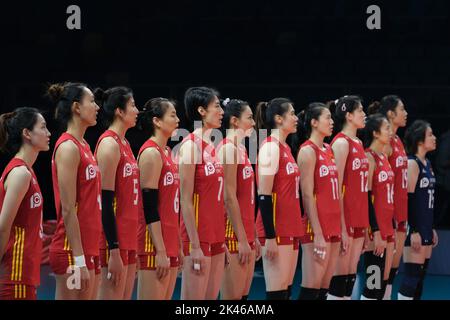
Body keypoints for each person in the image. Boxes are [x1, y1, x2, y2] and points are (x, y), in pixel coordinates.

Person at [48, 82, 102, 300]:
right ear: (76, 107)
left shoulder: (85, 146)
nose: (97, 107)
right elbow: (69, 209)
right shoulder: (68, 147)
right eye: (92, 102)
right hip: (71, 250)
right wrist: (79, 260)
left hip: (89, 247)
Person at [178, 87, 226, 300]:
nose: (221, 111)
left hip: (215, 235)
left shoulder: (212, 147)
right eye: (216, 106)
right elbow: (185, 200)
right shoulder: (190, 147)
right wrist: (194, 245)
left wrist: (222, 239)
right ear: (201, 111)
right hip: (197, 238)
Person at [94, 86, 139, 299]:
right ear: (119, 111)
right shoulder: (109, 144)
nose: (137, 110)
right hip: (112, 241)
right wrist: (113, 249)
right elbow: (104, 200)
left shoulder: (126, 143)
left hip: (128, 239)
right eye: (132, 105)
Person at [0, 108, 50, 300]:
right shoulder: (20, 173)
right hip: (15, 274)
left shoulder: (26, 171)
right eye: (43, 127)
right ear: (27, 133)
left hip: (24, 274)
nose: (48, 133)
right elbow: (4, 227)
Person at [255, 98, 302, 300]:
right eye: (291, 113)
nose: (296, 117)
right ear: (278, 118)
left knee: (286, 290)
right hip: (276, 229)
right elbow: (263, 195)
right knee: (276, 293)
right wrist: (270, 237)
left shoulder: (286, 148)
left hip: (291, 227)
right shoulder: (270, 148)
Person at [136, 97, 182, 300]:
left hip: (169, 240)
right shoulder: (150, 153)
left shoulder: (167, 152)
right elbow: (150, 206)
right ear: (157, 121)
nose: (178, 119)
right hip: (153, 244)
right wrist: (160, 250)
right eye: (172, 115)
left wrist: (178, 244)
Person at [296, 103, 341, 300]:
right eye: (327, 118)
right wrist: (318, 233)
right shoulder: (307, 151)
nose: (332, 122)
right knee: (310, 290)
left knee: (324, 290)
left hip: (333, 226)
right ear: (314, 122)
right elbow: (307, 195)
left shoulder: (329, 149)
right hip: (316, 229)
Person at [218, 98, 260, 300]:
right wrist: (242, 239)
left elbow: (246, 199)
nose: (253, 123)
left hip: (245, 232)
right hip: (232, 233)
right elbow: (228, 197)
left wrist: (254, 236)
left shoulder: (242, 150)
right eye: (249, 118)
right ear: (235, 121)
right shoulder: (227, 149)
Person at [328, 96, 368, 300]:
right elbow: (336, 190)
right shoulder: (341, 143)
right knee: (339, 280)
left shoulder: (359, 142)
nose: (364, 114)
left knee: (350, 280)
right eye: (360, 110)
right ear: (349, 115)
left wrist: (366, 226)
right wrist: (342, 227)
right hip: (346, 221)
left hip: (359, 219)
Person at [369, 95, 408, 299]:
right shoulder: (383, 145)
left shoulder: (398, 141)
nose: (406, 113)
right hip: (385, 219)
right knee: (377, 277)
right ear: (391, 114)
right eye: (402, 109)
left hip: (399, 216)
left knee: (390, 275)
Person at [398, 120, 438, 300]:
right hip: (414, 229)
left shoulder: (427, 163)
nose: (434, 138)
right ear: (420, 141)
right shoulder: (412, 163)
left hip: (425, 227)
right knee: (411, 278)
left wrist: (431, 228)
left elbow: (426, 201)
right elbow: (407, 199)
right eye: (430, 135)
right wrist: (413, 230)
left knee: (420, 278)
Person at [360, 112, 395, 300]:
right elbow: (366, 196)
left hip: (388, 228)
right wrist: (374, 230)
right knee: (372, 286)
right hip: (377, 230)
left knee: (383, 283)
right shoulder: (369, 157)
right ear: (375, 133)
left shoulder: (384, 156)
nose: (390, 132)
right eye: (386, 128)